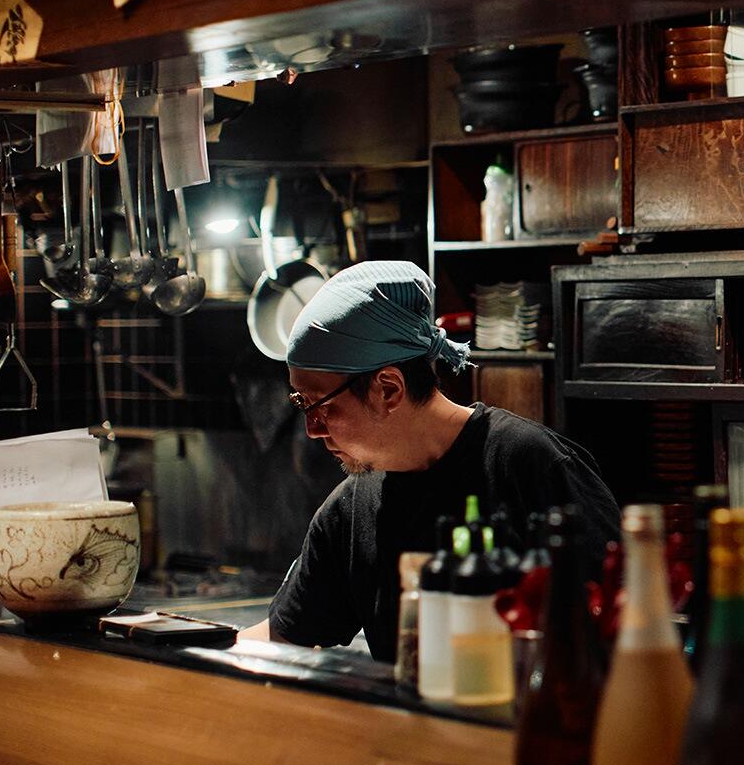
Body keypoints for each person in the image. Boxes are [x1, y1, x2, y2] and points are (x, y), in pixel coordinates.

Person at [241, 261, 619, 661]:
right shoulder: (350, 513)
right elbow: (284, 635)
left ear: (388, 389)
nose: (311, 429)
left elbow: (621, 622)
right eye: (300, 404)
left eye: (317, 405)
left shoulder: (530, 465)